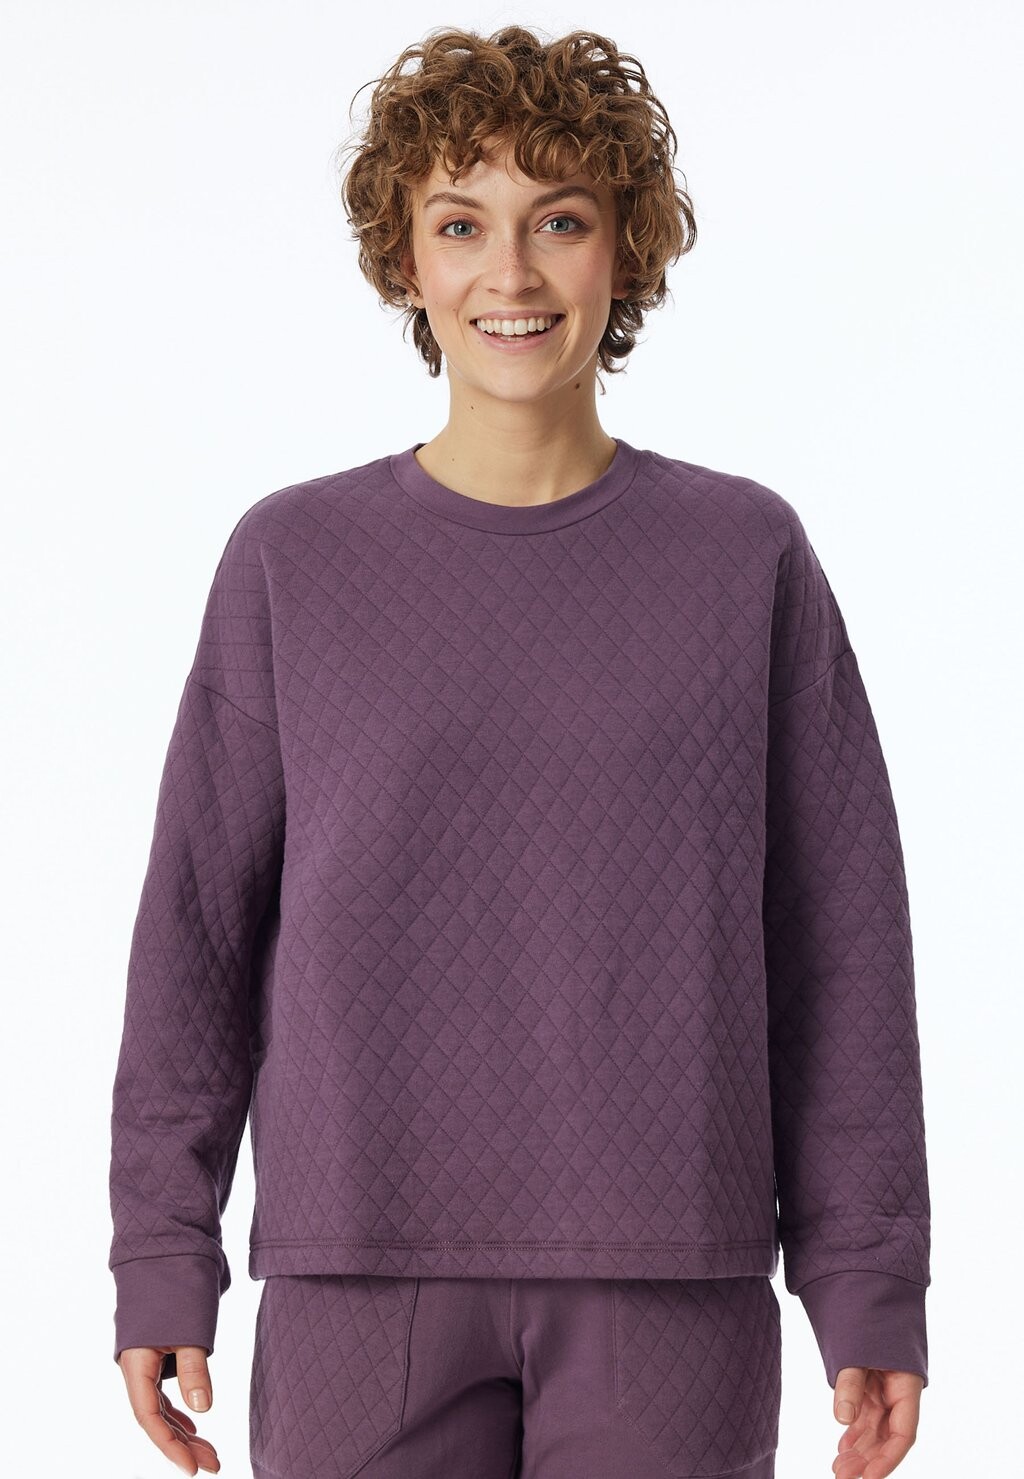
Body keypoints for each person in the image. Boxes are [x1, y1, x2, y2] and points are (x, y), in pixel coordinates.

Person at [108, 24, 931, 1479]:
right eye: (460, 224)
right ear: (405, 259)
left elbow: (840, 941)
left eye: (559, 221)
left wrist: (867, 1279)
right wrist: (164, 1254)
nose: (511, 273)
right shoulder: (293, 559)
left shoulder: (745, 556)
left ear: (626, 248)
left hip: (672, 1273)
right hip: (360, 1272)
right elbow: (197, 934)